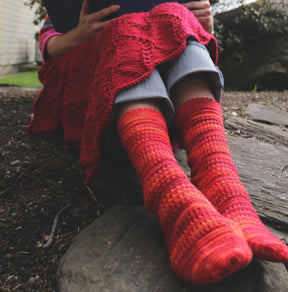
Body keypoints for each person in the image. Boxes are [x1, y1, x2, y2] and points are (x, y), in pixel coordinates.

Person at [29, 0, 288, 285]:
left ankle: (221, 182)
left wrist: (203, 23)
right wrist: (76, 35)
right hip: (98, 77)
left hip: (163, 88)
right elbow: (48, 41)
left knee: (175, 16)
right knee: (124, 30)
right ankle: (170, 195)